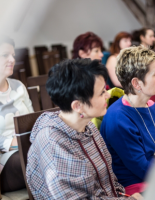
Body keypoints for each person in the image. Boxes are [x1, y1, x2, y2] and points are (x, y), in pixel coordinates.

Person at [26, 59, 142, 200]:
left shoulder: (87, 126)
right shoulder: (53, 143)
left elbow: (110, 183)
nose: (108, 95)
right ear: (77, 106)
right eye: (101, 93)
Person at [100, 46, 155, 195]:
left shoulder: (154, 108)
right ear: (137, 83)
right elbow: (142, 168)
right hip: (135, 187)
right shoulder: (118, 118)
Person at [0, 36, 34, 192]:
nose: (12, 59)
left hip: (30, 147)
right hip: (3, 159)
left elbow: (34, 120)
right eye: (5, 55)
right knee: (33, 159)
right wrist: (14, 142)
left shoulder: (19, 86)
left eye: (13, 55)